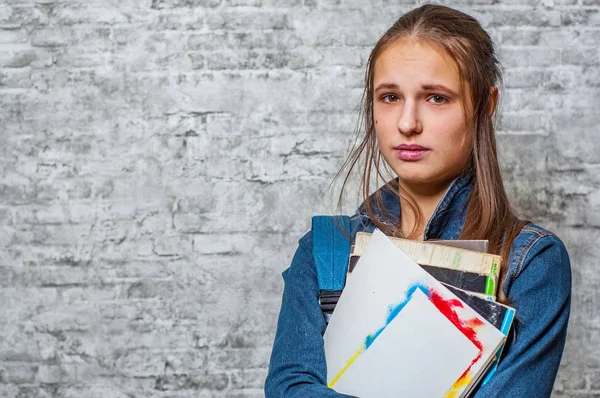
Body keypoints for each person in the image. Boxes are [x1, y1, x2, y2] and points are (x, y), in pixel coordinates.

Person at [264, 4, 571, 398]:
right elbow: (289, 388)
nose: (408, 123)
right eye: (390, 97)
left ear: (485, 106)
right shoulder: (324, 250)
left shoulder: (532, 263)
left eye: (436, 98)